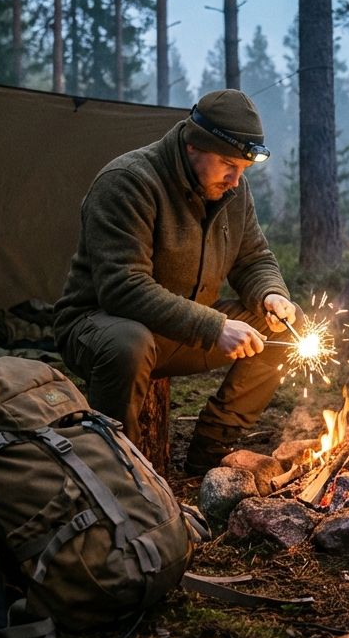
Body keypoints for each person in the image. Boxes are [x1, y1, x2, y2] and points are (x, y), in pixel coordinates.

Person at [54, 89, 299, 475]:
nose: (236, 180)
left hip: (179, 332)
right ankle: (119, 473)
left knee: (290, 327)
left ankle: (210, 450)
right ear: (192, 146)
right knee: (129, 343)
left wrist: (270, 294)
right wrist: (213, 326)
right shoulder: (128, 182)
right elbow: (122, 287)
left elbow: (253, 258)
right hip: (99, 327)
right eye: (227, 164)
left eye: (244, 169)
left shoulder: (234, 191)